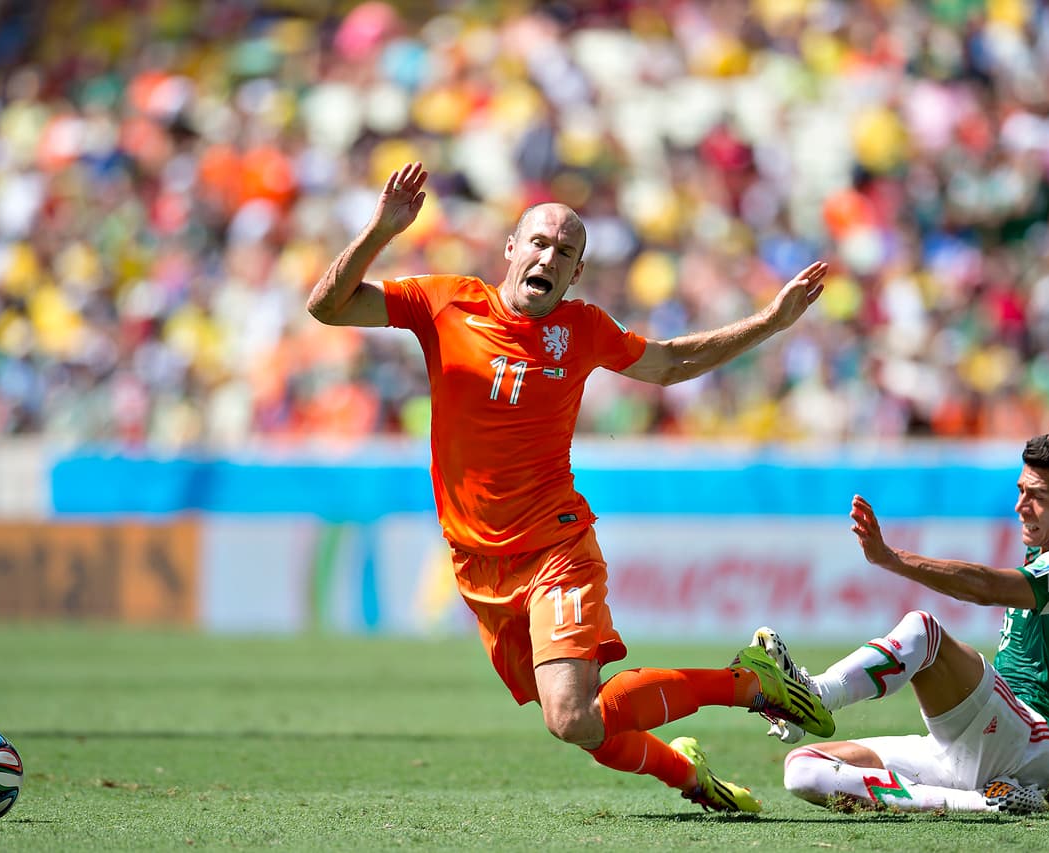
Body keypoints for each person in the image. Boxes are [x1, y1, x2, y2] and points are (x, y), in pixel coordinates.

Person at [307, 161, 833, 813]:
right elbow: (326, 307)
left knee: (570, 713)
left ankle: (751, 681)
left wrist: (771, 322)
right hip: (478, 562)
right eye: (539, 242)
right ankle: (691, 776)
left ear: (575, 272)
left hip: (555, 550)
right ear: (511, 249)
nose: (548, 257)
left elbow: (671, 363)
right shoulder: (445, 302)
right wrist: (382, 230)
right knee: (585, 723)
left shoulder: (582, 329)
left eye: (564, 251)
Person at [753, 431, 1049, 814]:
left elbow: (986, 587)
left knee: (924, 632)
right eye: (1021, 490)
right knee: (803, 769)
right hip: (986, 741)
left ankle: (813, 696)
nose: (1021, 506)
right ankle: (987, 802)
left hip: (1026, 737)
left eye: (1038, 495)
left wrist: (890, 558)